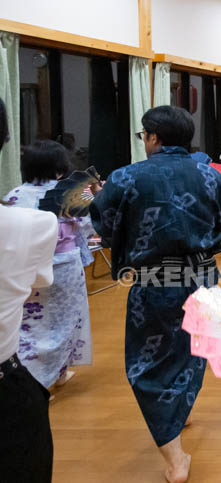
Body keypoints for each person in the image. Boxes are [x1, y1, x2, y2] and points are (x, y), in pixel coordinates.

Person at [89, 105, 221, 483]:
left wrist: (109, 203)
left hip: (156, 279)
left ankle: (174, 458)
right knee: (193, 349)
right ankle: (177, 413)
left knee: (148, 362)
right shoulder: (210, 175)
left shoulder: (127, 176)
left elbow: (104, 222)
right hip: (203, 277)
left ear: (153, 137)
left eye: (145, 136)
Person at [0, 97, 59, 482]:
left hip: (40, 263)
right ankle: (56, 368)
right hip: (52, 263)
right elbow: (85, 226)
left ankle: (47, 367)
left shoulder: (17, 196)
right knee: (56, 320)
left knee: (34, 326)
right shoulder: (40, 214)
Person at [4, 141, 93, 391]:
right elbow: (88, 227)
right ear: (60, 168)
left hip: (26, 266)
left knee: (29, 323)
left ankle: (42, 376)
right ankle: (46, 379)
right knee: (65, 321)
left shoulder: (13, 196)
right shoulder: (72, 193)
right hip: (65, 266)